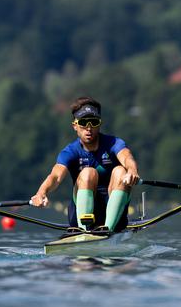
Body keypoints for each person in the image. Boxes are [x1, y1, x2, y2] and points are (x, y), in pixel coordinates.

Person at [31, 97, 140, 233]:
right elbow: (55, 177)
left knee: (120, 171)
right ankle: (84, 231)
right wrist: (41, 192)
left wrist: (132, 170)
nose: (89, 128)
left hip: (114, 221)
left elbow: (127, 157)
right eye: (83, 123)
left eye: (94, 122)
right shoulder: (70, 151)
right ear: (75, 126)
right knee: (88, 172)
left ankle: (108, 228)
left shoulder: (114, 143)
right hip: (80, 219)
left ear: (99, 124)